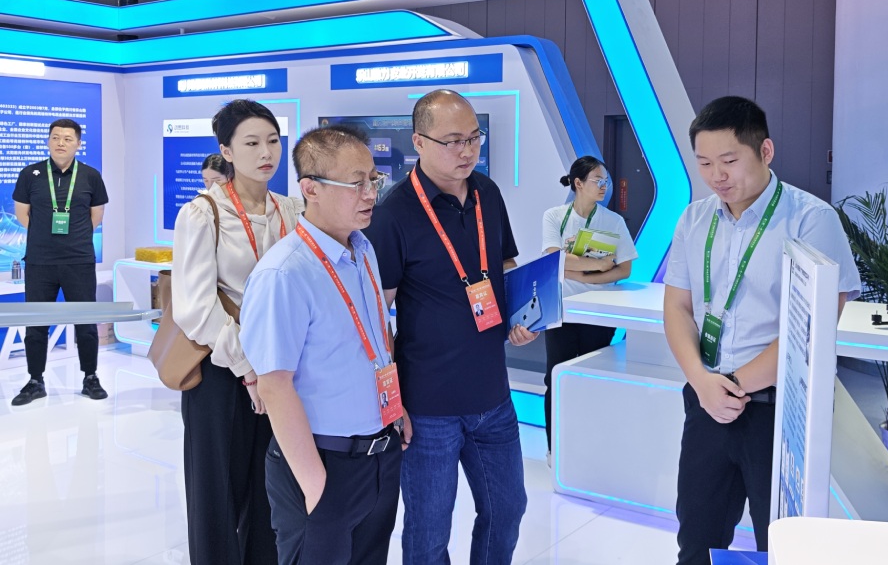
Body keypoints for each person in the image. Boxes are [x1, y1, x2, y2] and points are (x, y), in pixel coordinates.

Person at [662, 96, 861, 565]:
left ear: (765, 151)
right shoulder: (694, 219)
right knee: (696, 540)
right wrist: (701, 381)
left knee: (781, 546)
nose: (717, 175)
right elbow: (677, 307)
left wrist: (732, 384)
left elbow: (810, 330)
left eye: (729, 161)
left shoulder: (811, 220)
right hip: (706, 400)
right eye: (704, 163)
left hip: (779, 412)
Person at [366, 89, 535, 565]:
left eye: (474, 138)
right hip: (428, 406)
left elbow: (504, 265)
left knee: (507, 510)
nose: (467, 151)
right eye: (453, 141)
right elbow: (378, 315)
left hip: (493, 396)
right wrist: (392, 402)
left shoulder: (487, 193)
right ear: (419, 142)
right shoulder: (394, 213)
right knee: (428, 532)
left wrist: (523, 317)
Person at [241, 125, 403, 565]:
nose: (370, 194)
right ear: (310, 188)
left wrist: (395, 410)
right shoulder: (284, 273)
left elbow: (375, 339)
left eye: (374, 180)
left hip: (378, 457)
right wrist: (315, 486)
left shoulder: (363, 249)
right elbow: (274, 386)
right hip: (322, 463)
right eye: (356, 183)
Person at [172, 99, 301, 565]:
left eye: (272, 141)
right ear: (226, 151)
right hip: (221, 371)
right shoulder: (204, 212)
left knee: (272, 493)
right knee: (217, 496)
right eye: (251, 143)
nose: (266, 153)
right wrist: (248, 369)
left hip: (279, 370)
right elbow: (195, 309)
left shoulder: (292, 210)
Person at [540, 156, 638, 453]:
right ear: (578, 183)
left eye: (606, 181)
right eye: (598, 180)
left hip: (598, 312)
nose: (604, 186)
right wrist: (597, 265)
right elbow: (552, 258)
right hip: (562, 311)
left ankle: (591, 449)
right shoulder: (554, 216)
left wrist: (581, 273)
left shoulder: (613, 221)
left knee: (593, 378)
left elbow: (624, 269)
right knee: (556, 377)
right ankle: (555, 448)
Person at [10, 118, 110, 406]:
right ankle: (35, 380)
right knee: (36, 323)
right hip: (40, 262)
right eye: (55, 137)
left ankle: (90, 377)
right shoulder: (31, 174)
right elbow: (22, 214)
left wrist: (73, 240)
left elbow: (96, 216)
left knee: (85, 322)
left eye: (67, 138)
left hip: (79, 261)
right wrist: (46, 239)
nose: (60, 143)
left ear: (78, 143)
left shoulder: (90, 176)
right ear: (48, 141)